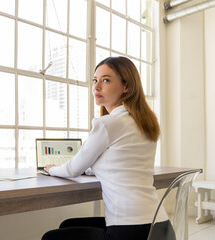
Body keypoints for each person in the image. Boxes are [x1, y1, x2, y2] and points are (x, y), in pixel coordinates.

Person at [41, 56, 174, 240]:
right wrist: (90, 170)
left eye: (106, 80)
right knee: (68, 226)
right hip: (160, 227)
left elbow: (72, 169)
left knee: (51, 237)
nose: (96, 87)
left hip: (130, 231)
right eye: (95, 80)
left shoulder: (109, 124)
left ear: (126, 86)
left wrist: (51, 169)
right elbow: (119, 164)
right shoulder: (143, 122)